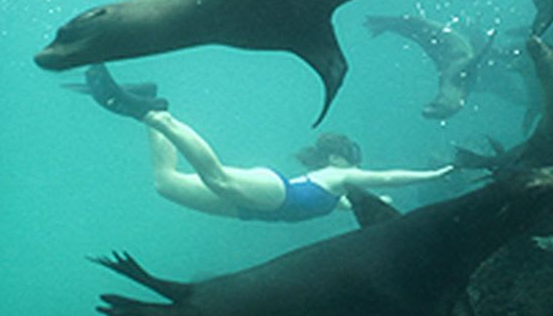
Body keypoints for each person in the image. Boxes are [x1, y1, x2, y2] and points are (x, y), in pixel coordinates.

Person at [78, 64, 455, 222]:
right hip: (274, 195)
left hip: (254, 209)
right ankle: (158, 117)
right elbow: (387, 178)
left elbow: (364, 201)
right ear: (341, 157)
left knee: (166, 183)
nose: (358, 169)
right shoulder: (337, 175)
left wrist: (386, 206)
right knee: (219, 177)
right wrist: (431, 175)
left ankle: (148, 97)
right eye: (353, 160)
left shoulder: (337, 193)